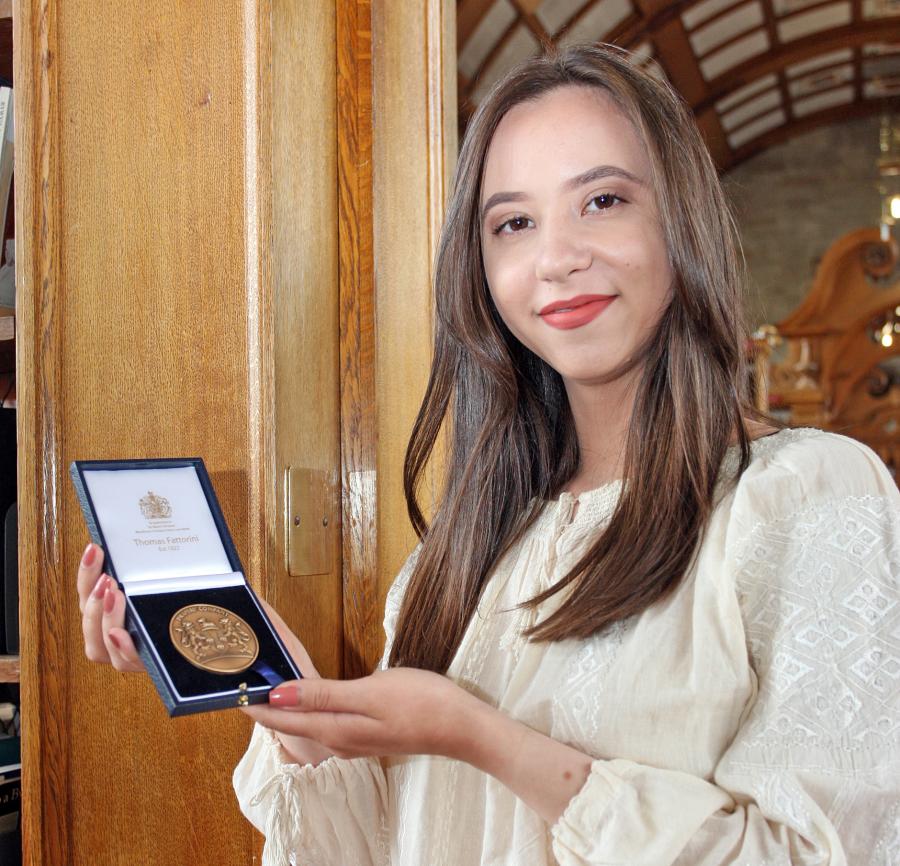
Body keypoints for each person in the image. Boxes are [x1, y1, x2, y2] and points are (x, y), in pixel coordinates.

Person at [78, 44, 900, 865]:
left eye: (603, 200)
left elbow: (824, 853)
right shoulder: (469, 548)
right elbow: (387, 840)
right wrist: (280, 689)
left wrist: (486, 739)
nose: (556, 258)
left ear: (681, 218)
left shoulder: (808, 495)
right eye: (514, 223)